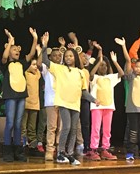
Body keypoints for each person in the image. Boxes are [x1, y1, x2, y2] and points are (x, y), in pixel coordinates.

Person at [41, 32, 98, 165]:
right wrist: (44, 46)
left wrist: (94, 100)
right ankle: (60, 152)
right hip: (63, 103)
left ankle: (70, 153)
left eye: (71, 56)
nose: (68, 58)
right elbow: (45, 61)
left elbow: (84, 92)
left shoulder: (80, 72)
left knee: (73, 129)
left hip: (75, 104)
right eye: (66, 56)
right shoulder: (59, 68)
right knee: (65, 127)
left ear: (75, 57)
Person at [0, 28, 38, 162]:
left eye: (17, 49)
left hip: (21, 95)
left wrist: (35, 38)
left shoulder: (22, 63)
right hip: (10, 95)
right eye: (13, 49)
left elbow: (32, 53)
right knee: (10, 123)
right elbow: (4, 57)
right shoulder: (5, 64)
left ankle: (18, 150)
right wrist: (10, 41)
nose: (16, 51)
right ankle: (7, 150)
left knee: (18, 124)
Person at [87, 43, 123, 161]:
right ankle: (93, 149)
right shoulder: (94, 78)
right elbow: (91, 73)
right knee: (96, 129)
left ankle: (104, 149)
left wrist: (115, 61)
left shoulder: (110, 78)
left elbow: (121, 74)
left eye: (105, 66)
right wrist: (99, 59)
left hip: (109, 107)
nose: (103, 67)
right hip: (97, 107)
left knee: (107, 129)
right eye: (101, 65)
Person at [38, 45, 63, 161]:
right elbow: (40, 62)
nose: (57, 57)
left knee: (61, 127)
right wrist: (43, 47)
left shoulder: (63, 68)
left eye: (59, 55)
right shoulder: (46, 68)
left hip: (63, 101)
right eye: (54, 55)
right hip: (51, 101)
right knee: (52, 127)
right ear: (50, 57)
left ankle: (60, 149)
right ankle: (49, 150)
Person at [20, 56, 42, 156]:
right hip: (25, 104)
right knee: (23, 126)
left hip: (35, 105)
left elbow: (40, 63)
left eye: (36, 65)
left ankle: (33, 146)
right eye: (33, 64)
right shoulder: (25, 74)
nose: (35, 67)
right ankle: (23, 145)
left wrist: (39, 51)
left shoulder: (37, 75)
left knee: (32, 127)